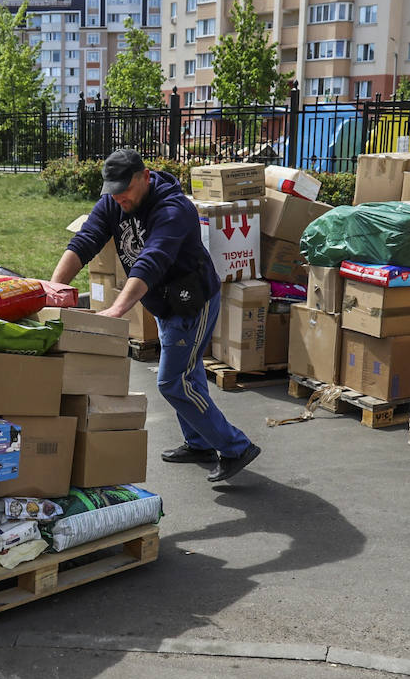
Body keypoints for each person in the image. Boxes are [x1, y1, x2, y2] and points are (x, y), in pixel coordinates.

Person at [52, 148, 261, 482]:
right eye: (113, 190)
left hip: (192, 303)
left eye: (125, 189)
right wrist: (54, 289)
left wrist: (118, 309)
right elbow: (86, 240)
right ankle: (199, 443)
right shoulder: (113, 202)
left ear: (145, 177)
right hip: (164, 304)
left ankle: (236, 446)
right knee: (186, 374)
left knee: (172, 381)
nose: (118, 197)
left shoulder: (174, 209)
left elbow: (152, 260)